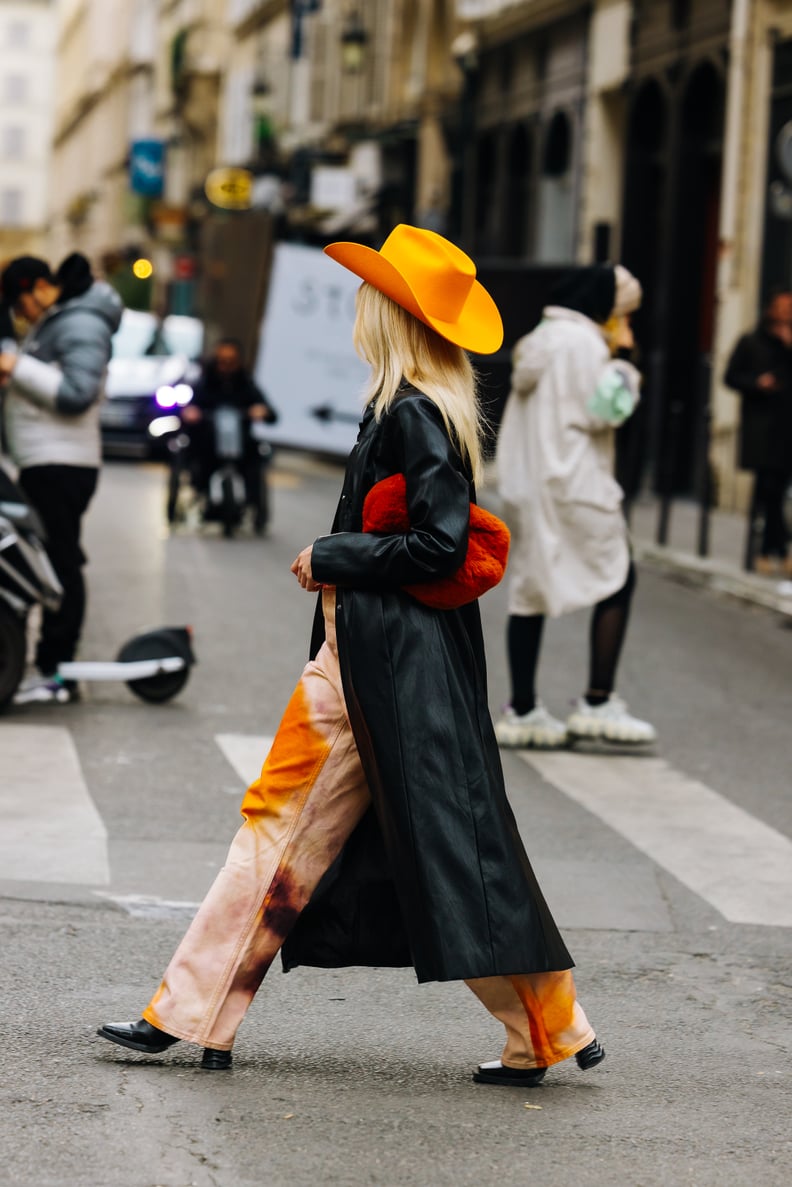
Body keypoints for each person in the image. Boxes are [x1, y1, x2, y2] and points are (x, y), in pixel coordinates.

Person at [97, 224, 605, 1087]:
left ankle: (187, 1013)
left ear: (394, 315)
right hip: (387, 660)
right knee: (452, 840)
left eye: (370, 294)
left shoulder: (414, 415)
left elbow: (440, 547)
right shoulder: (409, 406)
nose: (357, 306)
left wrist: (334, 555)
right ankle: (550, 1026)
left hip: (372, 661)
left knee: (277, 832)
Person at [494, 264, 657, 749]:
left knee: (530, 590)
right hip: (576, 480)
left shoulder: (538, 339)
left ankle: (523, 709)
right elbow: (606, 410)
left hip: (529, 483)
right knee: (619, 576)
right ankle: (598, 700)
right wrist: (625, 364)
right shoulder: (585, 343)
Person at [0, 253, 123, 704]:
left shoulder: (81, 322)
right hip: (47, 461)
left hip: (61, 464)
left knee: (60, 562)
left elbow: (76, 395)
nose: (20, 313)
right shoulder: (62, 318)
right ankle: (51, 664)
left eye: (20, 303)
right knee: (51, 559)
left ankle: (58, 673)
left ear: (37, 287)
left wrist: (16, 367)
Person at [724, 291, 792, 576]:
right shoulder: (751, 342)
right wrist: (756, 383)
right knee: (768, 488)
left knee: (777, 489)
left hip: (788, 428)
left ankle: (772, 549)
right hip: (761, 428)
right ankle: (775, 548)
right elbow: (730, 377)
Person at [180, 337, 277, 515]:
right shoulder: (204, 383)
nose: (226, 366)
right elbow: (188, 410)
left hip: (241, 444)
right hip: (209, 444)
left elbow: (270, 412)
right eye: (222, 361)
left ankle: (251, 502)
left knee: (258, 457)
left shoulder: (246, 384)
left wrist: (261, 411)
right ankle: (201, 491)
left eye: (231, 361)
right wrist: (191, 413)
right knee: (195, 455)